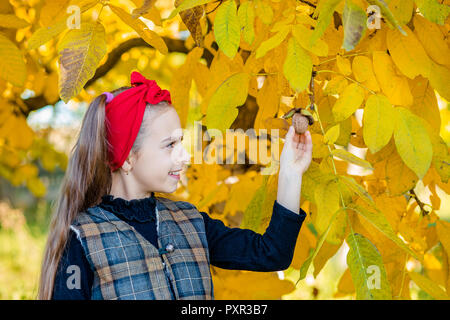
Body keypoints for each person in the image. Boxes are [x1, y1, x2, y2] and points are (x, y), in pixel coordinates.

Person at [37, 71, 313, 300]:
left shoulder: (191, 222)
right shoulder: (82, 237)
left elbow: (272, 254)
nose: (184, 155)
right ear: (129, 158)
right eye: (170, 145)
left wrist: (290, 172)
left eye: (181, 142)